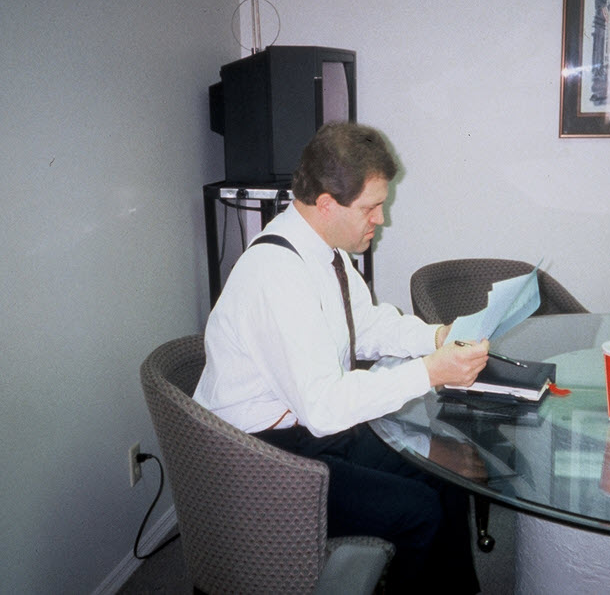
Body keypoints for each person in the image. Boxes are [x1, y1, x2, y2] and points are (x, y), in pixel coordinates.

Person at [194, 121, 489, 593]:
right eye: (372, 208)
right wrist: (430, 372)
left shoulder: (324, 251)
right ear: (327, 204)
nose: (381, 220)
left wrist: (438, 336)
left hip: (305, 430)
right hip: (261, 459)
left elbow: (366, 328)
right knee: (419, 513)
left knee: (447, 466)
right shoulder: (277, 276)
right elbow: (326, 407)